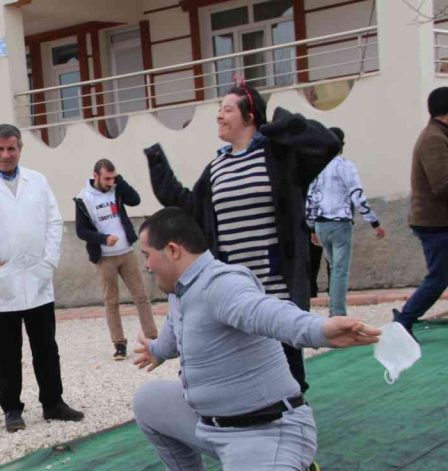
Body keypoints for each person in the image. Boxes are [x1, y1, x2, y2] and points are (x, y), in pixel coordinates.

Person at [131, 208, 380, 471]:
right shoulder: (181, 291)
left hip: (265, 431)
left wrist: (319, 330)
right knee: (148, 401)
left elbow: (265, 313)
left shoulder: (222, 284)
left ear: (173, 250)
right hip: (213, 424)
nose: (146, 265)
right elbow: (174, 336)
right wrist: (156, 351)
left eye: (147, 254)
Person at [144, 83, 341, 394]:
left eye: (227, 109)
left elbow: (328, 142)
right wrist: (157, 162)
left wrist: (281, 123)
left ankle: (293, 418)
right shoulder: (216, 168)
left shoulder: (279, 156)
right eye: (219, 110)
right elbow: (189, 207)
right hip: (232, 296)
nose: (219, 116)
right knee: (236, 374)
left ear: (249, 116)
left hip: (276, 289)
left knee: (288, 379)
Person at [0, 123, 84, 432]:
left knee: (46, 347)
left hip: (37, 278)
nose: (6, 155)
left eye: (11, 148)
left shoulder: (37, 181)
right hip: (1, 283)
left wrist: (49, 260)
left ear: (20, 149)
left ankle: (53, 402)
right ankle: (12, 409)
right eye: (0, 149)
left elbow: (54, 222)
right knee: (7, 353)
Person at [74, 158, 158, 360]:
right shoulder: (84, 198)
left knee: (141, 295)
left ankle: (152, 338)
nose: (110, 182)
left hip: (126, 252)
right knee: (111, 301)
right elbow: (81, 231)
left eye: (113, 178)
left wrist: (120, 181)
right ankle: (119, 344)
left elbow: (135, 200)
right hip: (104, 258)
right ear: (95, 176)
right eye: (107, 178)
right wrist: (103, 239)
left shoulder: (117, 188)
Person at [306, 127, 384, 317]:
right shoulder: (346, 166)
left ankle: (334, 309)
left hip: (321, 224)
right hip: (340, 223)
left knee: (334, 267)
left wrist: (312, 227)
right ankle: (338, 312)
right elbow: (357, 195)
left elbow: (311, 199)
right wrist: (373, 222)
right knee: (340, 271)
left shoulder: (316, 167)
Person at [393, 86, 448, 335]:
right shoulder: (433, 139)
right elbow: (442, 185)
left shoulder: (440, 135)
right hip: (436, 223)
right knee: (439, 278)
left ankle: (404, 319)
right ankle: (403, 320)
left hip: (439, 222)